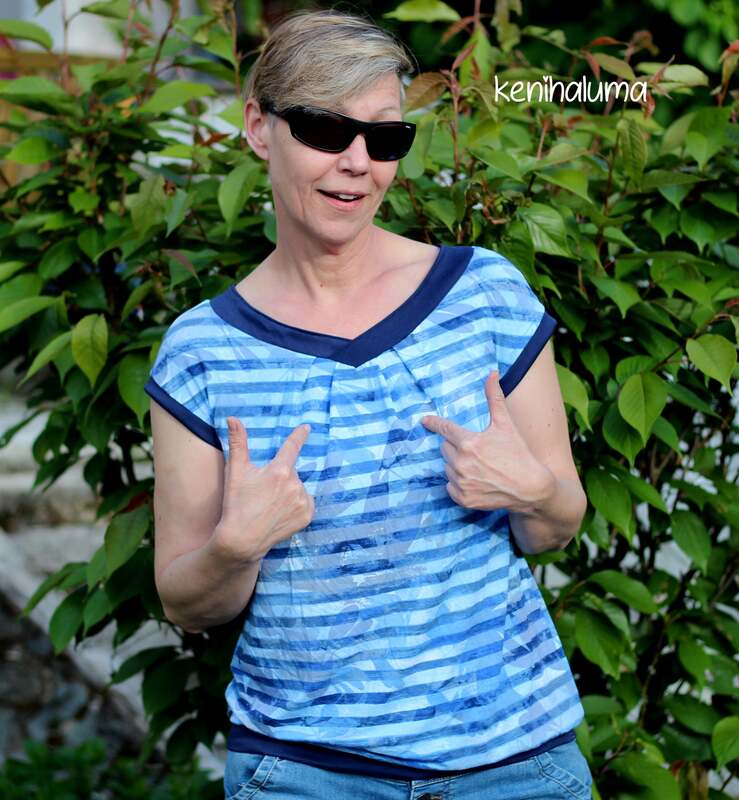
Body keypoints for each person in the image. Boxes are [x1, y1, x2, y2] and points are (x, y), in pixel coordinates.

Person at [144, 8, 593, 800]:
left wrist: (532, 491)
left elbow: (556, 525)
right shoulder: (202, 351)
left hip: (515, 765)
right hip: (304, 775)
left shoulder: (483, 294)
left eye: (383, 138)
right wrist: (234, 547)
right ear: (258, 128)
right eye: (324, 129)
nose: (357, 163)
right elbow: (186, 600)